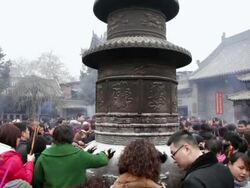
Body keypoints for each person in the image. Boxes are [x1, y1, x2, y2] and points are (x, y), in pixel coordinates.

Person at [34, 124, 114, 188]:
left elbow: (37, 181)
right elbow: (102, 161)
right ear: (71, 137)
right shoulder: (79, 155)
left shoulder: (43, 157)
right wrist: (104, 153)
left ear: (54, 137)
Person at [167, 130, 234, 188]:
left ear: (186, 149)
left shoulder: (192, 181)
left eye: (173, 154)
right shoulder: (224, 169)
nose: (174, 160)